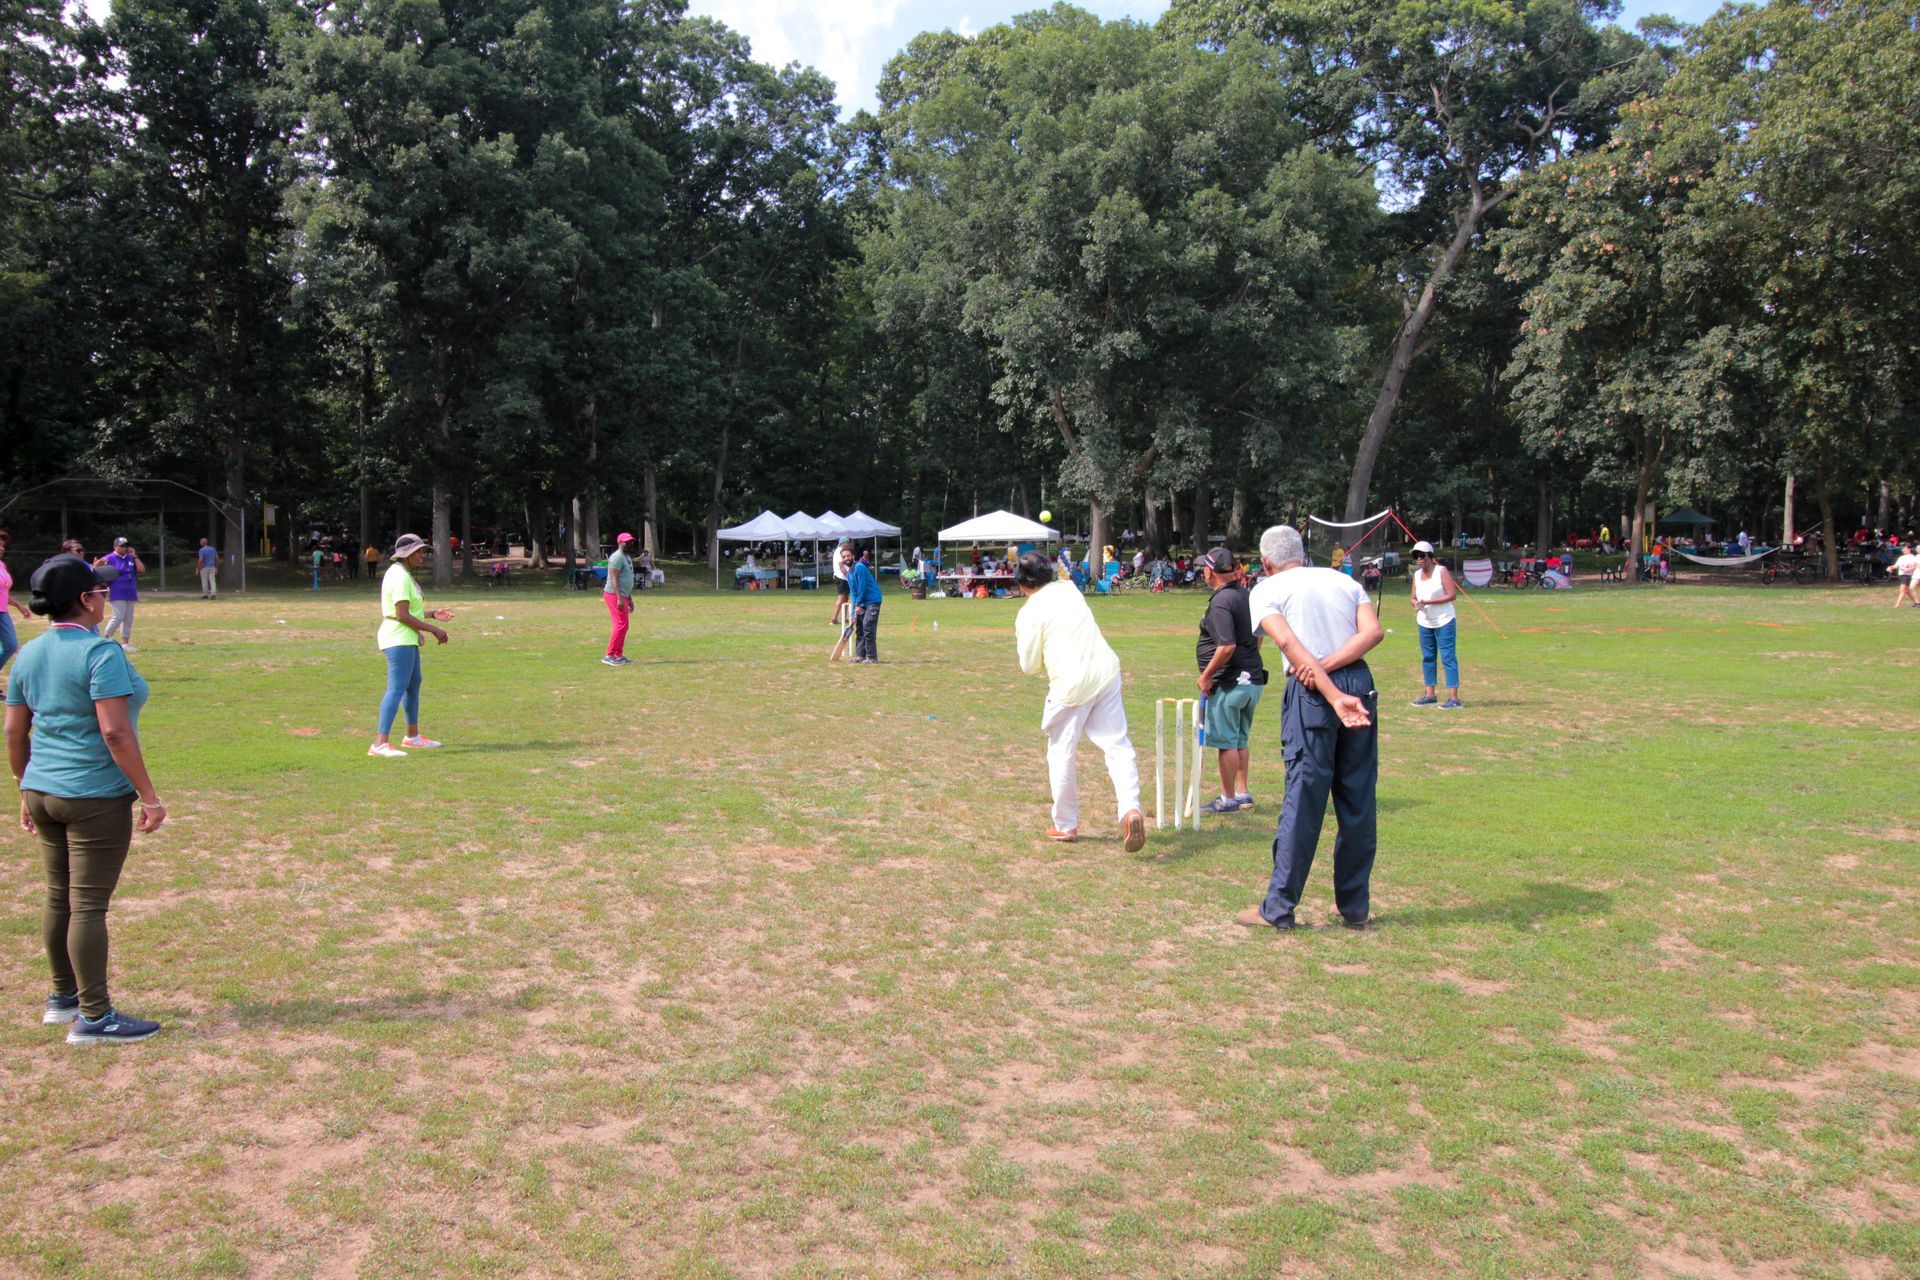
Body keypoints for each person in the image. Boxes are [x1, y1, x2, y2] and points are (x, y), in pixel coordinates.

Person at [5, 554, 166, 1043]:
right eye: (99, 591)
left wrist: (24, 786)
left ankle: (62, 998)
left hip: (42, 791)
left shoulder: (29, 653)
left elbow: (14, 730)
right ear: (84, 600)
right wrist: (149, 796)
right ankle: (95, 1017)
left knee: (60, 898)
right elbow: (115, 732)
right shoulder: (101, 653)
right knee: (89, 905)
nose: (104, 597)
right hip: (92, 795)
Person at [1237, 525, 1380, 932]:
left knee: (1304, 795)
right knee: (1357, 798)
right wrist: (1333, 672)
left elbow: (1290, 646)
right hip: (1359, 683)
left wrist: (1325, 681)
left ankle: (1278, 908)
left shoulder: (1265, 589)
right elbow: (1372, 632)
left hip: (1314, 691)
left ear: (1266, 563)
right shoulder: (1345, 580)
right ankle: (1354, 908)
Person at [1012, 550, 1147, 851]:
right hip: (1106, 672)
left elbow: (1028, 666)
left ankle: (1065, 824)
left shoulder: (1029, 613)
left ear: (1022, 583)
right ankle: (1130, 809)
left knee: (1061, 753)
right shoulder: (1068, 587)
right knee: (1117, 745)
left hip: (1071, 686)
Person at [1194, 548, 1266, 814]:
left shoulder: (1222, 601)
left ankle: (1228, 799)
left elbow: (1226, 646)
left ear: (1209, 571)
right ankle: (1242, 792)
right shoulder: (1245, 595)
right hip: (1252, 680)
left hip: (1230, 683)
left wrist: (1206, 676)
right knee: (1239, 739)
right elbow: (1259, 635)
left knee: (1226, 743)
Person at [370, 534, 454, 759]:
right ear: (406, 554)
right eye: (418, 552)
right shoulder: (398, 576)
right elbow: (402, 615)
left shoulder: (403, 574)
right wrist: (433, 629)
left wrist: (433, 614)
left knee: (413, 684)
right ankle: (379, 744)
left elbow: (410, 611)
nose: (422, 555)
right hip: (398, 638)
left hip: (406, 638)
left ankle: (412, 737)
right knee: (396, 688)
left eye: (423, 551)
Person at [1407, 542, 1462, 708]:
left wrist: (1429, 601)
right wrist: (1416, 603)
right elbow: (1412, 597)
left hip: (1444, 620)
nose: (1419, 559)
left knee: (1448, 657)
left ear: (1430, 557)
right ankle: (1430, 694)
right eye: (1416, 556)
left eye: (1422, 555)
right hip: (1425, 621)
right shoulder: (1417, 575)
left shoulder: (1441, 571)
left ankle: (1454, 698)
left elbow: (1452, 595)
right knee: (1428, 657)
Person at [95, 538, 143, 651]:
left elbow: (141, 569)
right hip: (117, 591)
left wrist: (135, 556)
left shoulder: (130, 558)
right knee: (118, 616)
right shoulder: (109, 558)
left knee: (128, 618)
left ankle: (125, 643)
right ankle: (105, 639)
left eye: (126, 546)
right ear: (115, 546)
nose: (125, 548)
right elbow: (98, 573)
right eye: (122, 546)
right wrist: (97, 565)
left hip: (130, 591)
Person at [1, 529, 32, 680]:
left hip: (2, 611)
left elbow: (3, 592)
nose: (2, 548)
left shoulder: (2, 565)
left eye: (3, 546)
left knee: (11, 645)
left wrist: (19, 605)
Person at [603, 532, 636, 666]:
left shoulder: (626, 557)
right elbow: (614, 578)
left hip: (623, 595)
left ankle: (618, 654)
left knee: (624, 625)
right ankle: (609, 655)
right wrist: (619, 598)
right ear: (620, 543)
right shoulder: (616, 557)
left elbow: (626, 580)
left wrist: (629, 598)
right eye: (626, 542)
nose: (629, 544)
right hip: (614, 594)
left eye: (630, 541)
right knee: (620, 624)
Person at [847, 549, 883, 663]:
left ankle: (872, 657)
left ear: (853, 556)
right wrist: (853, 612)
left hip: (872, 600)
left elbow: (862, 587)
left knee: (868, 626)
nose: (846, 558)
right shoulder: (849, 573)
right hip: (861, 602)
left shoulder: (859, 567)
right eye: (844, 557)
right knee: (860, 627)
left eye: (848, 556)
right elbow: (853, 593)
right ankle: (859, 655)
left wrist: (858, 604)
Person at [1893, 542, 1918, 609]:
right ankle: (1917, 602)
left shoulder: (1913, 557)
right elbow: (1896, 566)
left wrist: (1908, 569)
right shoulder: (1901, 557)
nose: (1902, 550)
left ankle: (1897, 605)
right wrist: (1890, 567)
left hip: (1907, 575)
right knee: (1906, 591)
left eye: (1904, 548)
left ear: (1909, 549)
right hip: (1901, 575)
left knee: (1902, 590)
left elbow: (1916, 567)